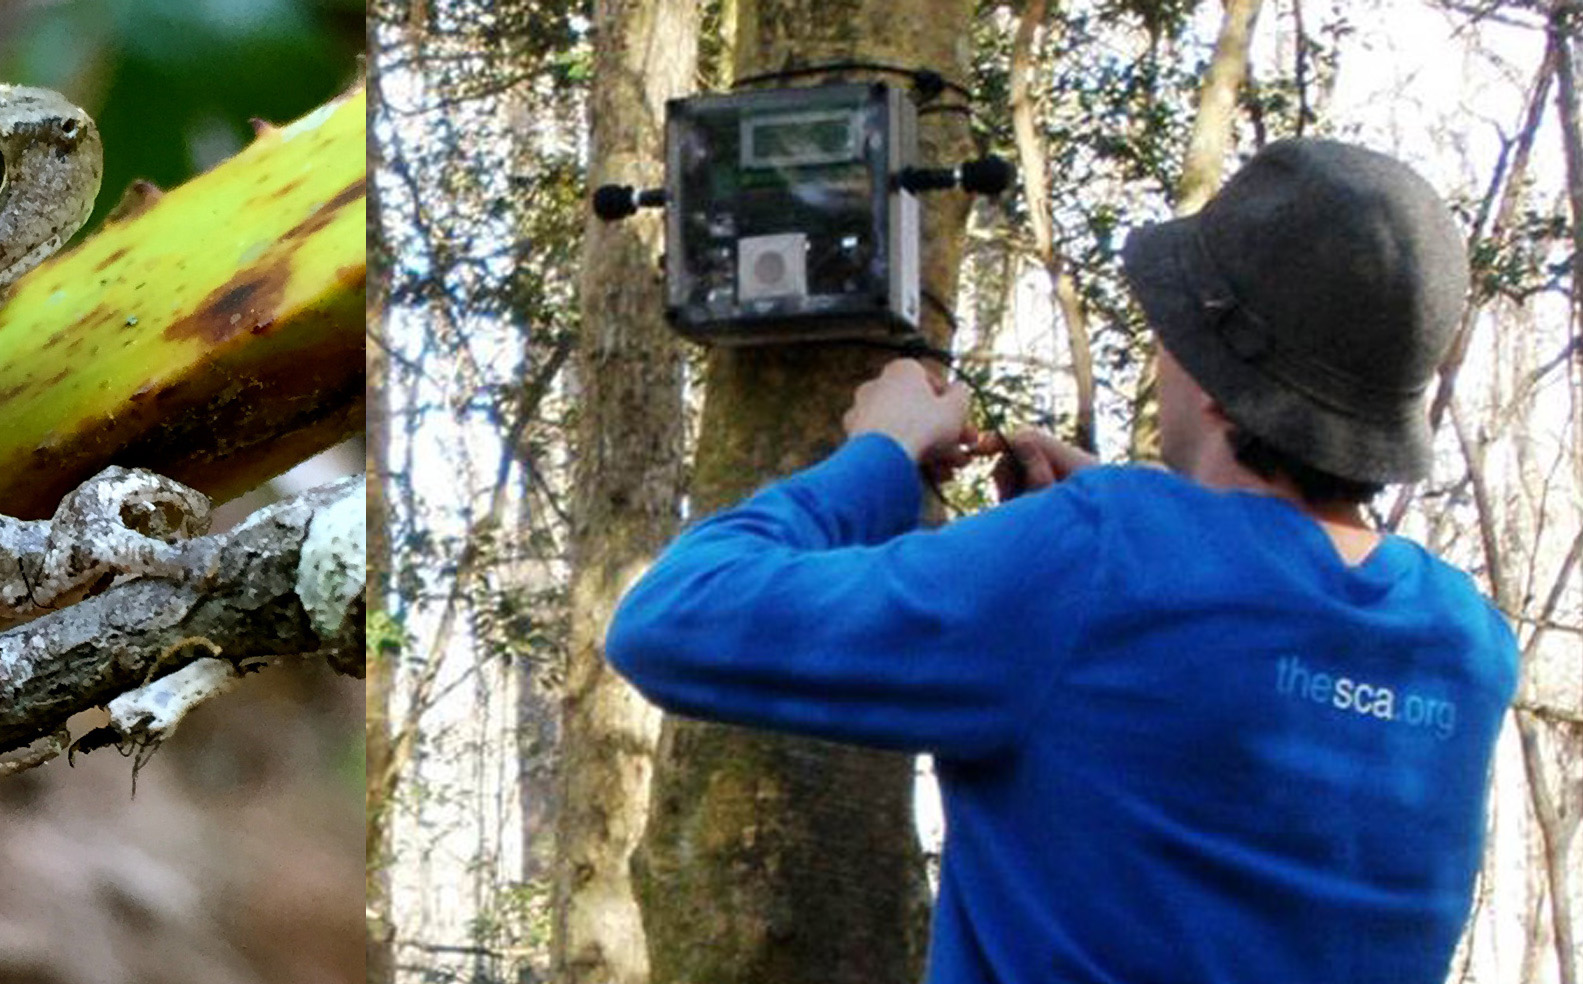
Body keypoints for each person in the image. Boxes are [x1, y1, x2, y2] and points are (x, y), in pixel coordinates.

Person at [605, 138, 1517, 983]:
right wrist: (1098, 559)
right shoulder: (1465, 644)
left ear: (1205, 367)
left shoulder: (1103, 557)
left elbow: (673, 617)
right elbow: (1214, 677)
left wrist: (877, 457)